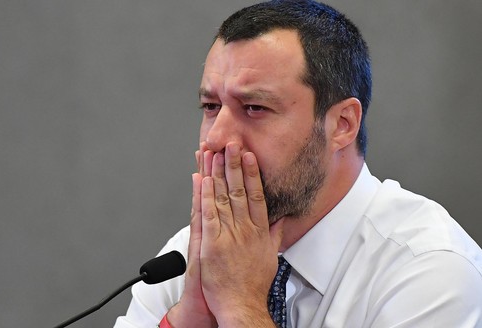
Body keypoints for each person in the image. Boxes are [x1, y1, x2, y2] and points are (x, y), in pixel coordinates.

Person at [115, 0, 482, 327]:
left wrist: (241, 306)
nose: (215, 139)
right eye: (211, 107)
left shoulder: (430, 268)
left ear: (342, 124)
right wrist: (187, 320)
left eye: (255, 108)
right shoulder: (194, 254)